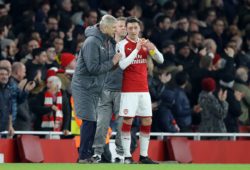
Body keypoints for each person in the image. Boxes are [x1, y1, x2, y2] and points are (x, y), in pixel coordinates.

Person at [71, 14, 121, 163]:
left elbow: (107, 67)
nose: (115, 31)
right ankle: (83, 157)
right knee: (89, 121)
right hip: (84, 87)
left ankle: (86, 155)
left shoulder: (106, 41)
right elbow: (93, 68)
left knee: (93, 122)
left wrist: (116, 63)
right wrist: (113, 61)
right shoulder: (92, 42)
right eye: (113, 28)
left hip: (95, 88)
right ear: (105, 27)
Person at [117, 17, 164, 164]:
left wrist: (153, 49)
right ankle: (127, 156)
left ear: (139, 29)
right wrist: (136, 49)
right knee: (128, 120)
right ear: (125, 29)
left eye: (135, 28)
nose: (132, 30)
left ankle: (143, 156)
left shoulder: (144, 44)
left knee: (147, 120)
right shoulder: (121, 44)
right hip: (129, 89)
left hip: (143, 89)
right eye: (129, 28)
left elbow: (161, 60)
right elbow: (122, 65)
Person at [92, 17, 126, 163]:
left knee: (121, 125)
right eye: (120, 26)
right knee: (101, 124)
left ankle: (120, 154)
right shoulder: (104, 45)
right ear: (114, 28)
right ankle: (97, 153)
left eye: (126, 26)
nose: (124, 28)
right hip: (105, 90)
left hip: (123, 91)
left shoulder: (131, 46)